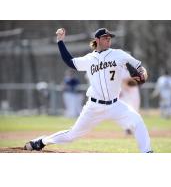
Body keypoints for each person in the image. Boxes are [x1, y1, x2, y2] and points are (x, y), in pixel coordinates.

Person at [24, 28, 153, 153]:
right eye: (105, 37)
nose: (108, 39)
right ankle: (42, 141)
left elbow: (139, 67)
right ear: (97, 39)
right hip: (94, 106)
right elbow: (70, 62)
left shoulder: (118, 53)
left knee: (137, 120)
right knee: (71, 135)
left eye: (110, 38)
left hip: (115, 104)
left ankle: (147, 152)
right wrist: (60, 41)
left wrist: (143, 74)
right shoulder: (89, 59)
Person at [120, 68, 141, 135]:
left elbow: (138, 80)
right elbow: (122, 81)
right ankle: (127, 128)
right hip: (124, 93)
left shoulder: (133, 69)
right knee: (125, 111)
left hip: (133, 93)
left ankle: (133, 127)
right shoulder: (120, 70)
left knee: (135, 110)